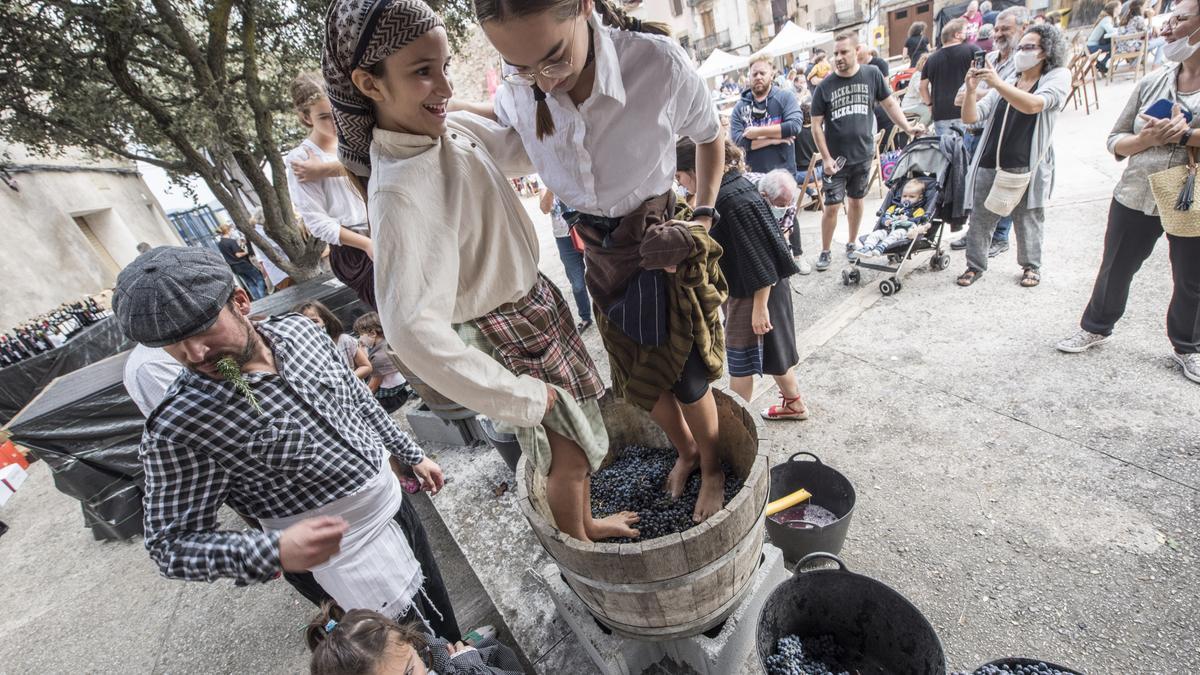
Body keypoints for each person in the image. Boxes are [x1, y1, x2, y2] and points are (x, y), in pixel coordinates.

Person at [323, 0, 637, 541]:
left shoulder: (443, 131)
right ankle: (582, 542)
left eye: (443, 66)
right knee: (569, 453)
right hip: (511, 333)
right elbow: (410, 332)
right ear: (369, 84)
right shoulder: (401, 190)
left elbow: (521, 151)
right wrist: (520, 395)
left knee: (580, 436)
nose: (444, 87)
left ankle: (585, 521)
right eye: (423, 72)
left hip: (534, 309)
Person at [112, 246, 461, 641]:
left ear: (240, 301)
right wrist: (272, 550)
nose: (193, 353)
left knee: (440, 613)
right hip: (335, 562)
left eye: (202, 328)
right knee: (404, 650)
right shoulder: (180, 426)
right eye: (172, 343)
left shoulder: (302, 331)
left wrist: (411, 454)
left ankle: (464, 657)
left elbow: (358, 400)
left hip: (394, 507)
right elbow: (170, 545)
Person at [477, 0, 734, 523]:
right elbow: (501, 129)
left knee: (685, 378)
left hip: (660, 245)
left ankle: (711, 466)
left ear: (583, 8)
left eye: (552, 59)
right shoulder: (517, 89)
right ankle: (683, 450)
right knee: (637, 380)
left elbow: (710, 138)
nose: (542, 83)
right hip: (599, 256)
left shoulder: (656, 65)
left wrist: (701, 221)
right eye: (520, 68)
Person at [1056, 2, 1200, 384]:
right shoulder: (1152, 82)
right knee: (1116, 265)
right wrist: (1144, 139)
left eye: (1180, 20)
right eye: (1168, 20)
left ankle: (1188, 346)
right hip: (1136, 191)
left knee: (1191, 276)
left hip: (1190, 195)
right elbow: (1114, 140)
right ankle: (1096, 325)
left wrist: (1187, 135)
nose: (1167, 29)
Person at [677, 140, 808, 421]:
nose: (682, 185)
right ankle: (794, 404)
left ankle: (736, 426)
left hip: (758, 290)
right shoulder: (733, 186)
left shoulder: (728, 199)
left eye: (680, 177)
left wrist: (760, 307)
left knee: (740, 361)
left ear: (696, 169)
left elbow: (761, 258)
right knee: (775, 350)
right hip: (761, 286)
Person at [956, 24, 1071, 288]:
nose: (1021, 53)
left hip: (1026, 162)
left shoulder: (1057, 77)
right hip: (990, 161)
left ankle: (1031, 265)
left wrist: (996, 83)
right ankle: (974, 265)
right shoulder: (1009, 82)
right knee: (981, 218)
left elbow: (1034, 105)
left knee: (1028, 216)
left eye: (1029, 47)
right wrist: (972, 91)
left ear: (1046, 52)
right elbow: (971, 118)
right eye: (1020, 47)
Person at [810, 31, 925, 271]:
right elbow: (816, 126)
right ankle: (825, 249)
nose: (838, 57)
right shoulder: (825, 87)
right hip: (836, 161)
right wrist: (827, 158)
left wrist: (907, 127)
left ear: (856, 51)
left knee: (857, 201)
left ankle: (851, 243)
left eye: (844, 52)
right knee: (831, 205)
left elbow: (890, 104)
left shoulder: (871, 75)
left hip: (862, 154)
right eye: (835, 53)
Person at [285, 71, 377, 307]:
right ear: (307, 118)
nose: (335, 122)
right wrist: (365, 244)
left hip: (383, 232)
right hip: (354, 249)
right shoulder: (301, 158)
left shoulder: (355, 142)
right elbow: (316, 221)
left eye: (338, 113)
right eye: (325, 117)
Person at [952, 6, 1029, 256]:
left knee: (1002, 188)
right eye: (996, 28)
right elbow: (960, 96)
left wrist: (984, 92)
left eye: (1005, 28)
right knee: (975, 187)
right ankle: (976, 233)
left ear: (1023, 29)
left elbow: (1012, 95)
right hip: (973, 130)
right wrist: (980, 93)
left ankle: (999, 236)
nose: (998, 33)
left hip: (999, 134)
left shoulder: (1023, 64)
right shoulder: (989, 59)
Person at [307, 603, 523, 675]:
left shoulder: (424, 648)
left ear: (410, 642)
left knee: (455, 650)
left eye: (410, 672)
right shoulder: (406, 657)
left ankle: (463, 649)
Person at [731, 56, 805, 176]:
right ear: (749, 77)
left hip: (783, 174)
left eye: (762, 73)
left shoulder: (785, 97)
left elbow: (794, 126)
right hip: (753, 177)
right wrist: (773, 140)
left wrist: (757, 133)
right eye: (754, 74)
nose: (758, 77)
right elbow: (740, 142)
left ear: (771, 75)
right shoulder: (739, 107)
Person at [539, 189, 594, 331]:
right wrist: (550, 186)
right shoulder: (542, 180)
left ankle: (608, 310)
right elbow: (545, 209)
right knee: (577, 284)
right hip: (564, 239)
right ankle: (585, 317)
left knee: (599, 272)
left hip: (584, 229)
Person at [921, 19, 984, 136]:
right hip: (966, 110)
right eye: (965, 31)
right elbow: (984, 75)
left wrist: (930, 105)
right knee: (968, 151)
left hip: (941, 113)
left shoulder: (930, 59)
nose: (967, 34)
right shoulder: (972, 50)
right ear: (957, 35)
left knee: (947, 151)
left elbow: (922, 87)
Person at [295, 300, 372, 380]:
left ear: (324, 321)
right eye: (304, 324)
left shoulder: (343, 341)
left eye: (314, 321)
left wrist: (344, 380)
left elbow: (366, 366)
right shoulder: (303, 354)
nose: (311, 327)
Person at [854, 178, 931, 257]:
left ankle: (881, 247)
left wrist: (908, 219)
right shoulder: (894, 207)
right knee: (875, 234)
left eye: (911, 197)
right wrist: (885, 221)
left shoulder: (918, 210)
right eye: (904, 196)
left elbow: (919, 221)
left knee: (896, 233)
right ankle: (867, 248)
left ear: (920, 198)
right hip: (888, 230)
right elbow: (884, 216)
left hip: (904, 232)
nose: (907, 199)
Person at [354, 312, 413, 413]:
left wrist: (361, 400)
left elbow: (373, 387)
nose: (359, 338)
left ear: (372, 333)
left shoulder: (378, 358)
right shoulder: (388, 344)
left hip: (388, 397)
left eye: (360, 334)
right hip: (401, 385)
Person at [215, 224, 267, 300]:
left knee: (250, 282)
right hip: (243, 264)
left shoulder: (220, 244)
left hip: (234, 268)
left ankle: (258, 298)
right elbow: (238, 255)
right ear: (228, 231)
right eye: (231, 230)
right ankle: (262, 297)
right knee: (259, 278)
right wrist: (246, 252)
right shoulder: (231, 241)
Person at [249, 208, 294, 291]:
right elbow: (283, 247)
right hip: (284, 274)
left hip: (280, 274)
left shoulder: (257, 231)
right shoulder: (263, 232)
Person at [1089, 1, 1121, 75]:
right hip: (1092, 47)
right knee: (1116, 46)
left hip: (1095, 45)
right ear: (1115, 9)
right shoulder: (1107, 19)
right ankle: (1102, 64)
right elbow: (1111, 31)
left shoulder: (1111, 18)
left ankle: (1102, 63)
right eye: (1119, 7)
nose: (1121, 8)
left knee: (1116, 45)